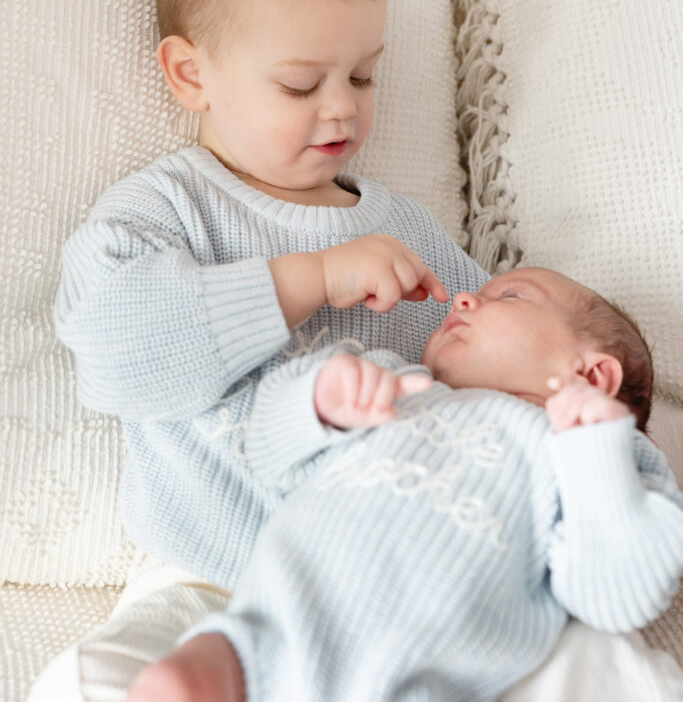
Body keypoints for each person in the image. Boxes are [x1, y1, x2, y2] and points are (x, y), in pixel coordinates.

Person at [49, 0, 487, 684]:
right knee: (100, 677)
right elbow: (116, 353)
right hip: (208, 575)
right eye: (299, 83)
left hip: (366, 582)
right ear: (191, 74)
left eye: (362, 76)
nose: (342, 108)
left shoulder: (403, 228)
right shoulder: (161, 211)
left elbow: (480, 344)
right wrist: (311, 278)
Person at [125, 266, 683, 702]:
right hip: (271, 627)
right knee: (175, 685)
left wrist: (596, 452)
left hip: (424, 673)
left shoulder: (595, 455)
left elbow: (617, 598)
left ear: (592, 374)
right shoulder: (395, 383)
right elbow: (267, 457)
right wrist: (321, 401)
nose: (465, 299)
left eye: (510, 297)